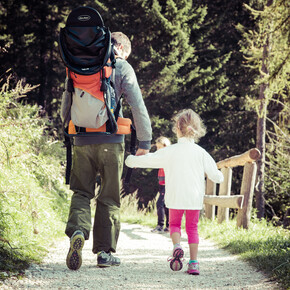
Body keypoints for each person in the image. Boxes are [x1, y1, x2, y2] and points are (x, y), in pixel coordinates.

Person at [65, 32, 152, 270]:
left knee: (82, 192)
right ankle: (104, 253)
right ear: (122, 47)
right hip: (112, 141)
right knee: (109, 195)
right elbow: (137, 104)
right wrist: (145, 142)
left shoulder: (79, 63)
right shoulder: (122, 67)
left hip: (81, 138)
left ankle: (78, 232)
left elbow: (67, 100)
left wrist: (68, 132)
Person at [125, 109, 224, 275]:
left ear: (177, 127)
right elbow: (216, 176)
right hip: (193, 198)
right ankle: (194, 263)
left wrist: (130, 160)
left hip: (175, 197)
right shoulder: (201, 153)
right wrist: (220, 175)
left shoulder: (170, 151)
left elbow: (149, 159)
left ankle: (177, 247)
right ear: (196, 129)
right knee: (192, 228)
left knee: (175, 225)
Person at [151, 136, 171, 233]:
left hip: (168, 183)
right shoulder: (160, 156)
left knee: (160, 203)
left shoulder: (169, 156)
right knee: (166, 204)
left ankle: (160, 225)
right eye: (157, 147)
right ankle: (169, 226)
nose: (158, 149)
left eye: (160, 147)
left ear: (165, 146)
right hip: (162, 183)